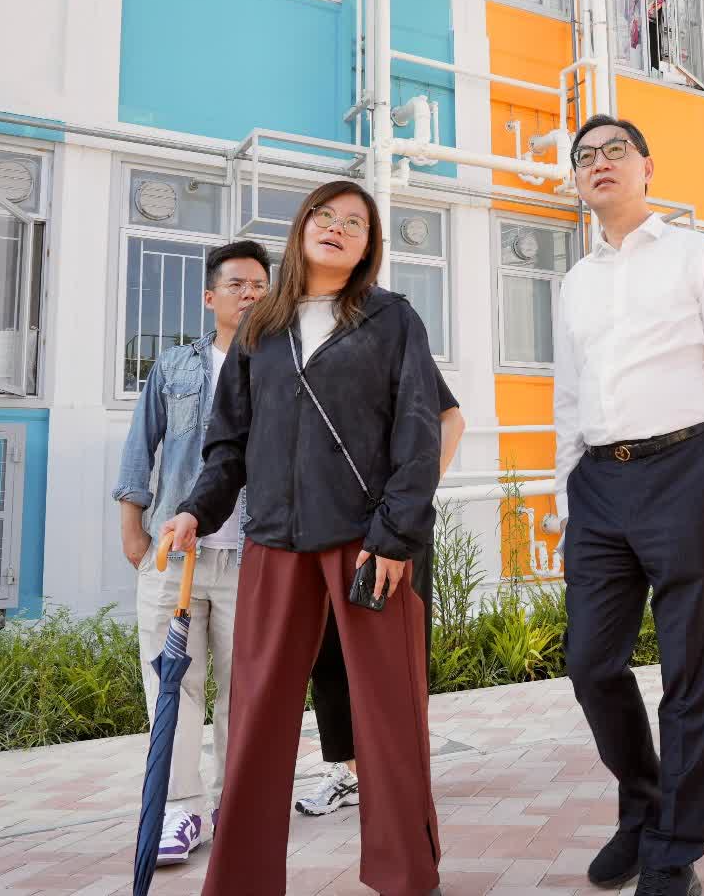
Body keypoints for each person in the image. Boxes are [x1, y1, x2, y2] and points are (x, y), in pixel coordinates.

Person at [164, 179, 444, 896]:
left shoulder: (392, 320)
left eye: (356, 222)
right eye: (326, 214)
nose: (338, 227)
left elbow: (419, 431)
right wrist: (196, 509)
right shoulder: (260, 326)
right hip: (275, 542)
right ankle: (241, 882)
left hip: (368, 545)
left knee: (388, 717)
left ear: (368, 246)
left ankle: (409, 878)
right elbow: (228, 445)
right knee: (257, 716)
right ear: (302, 226)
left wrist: (395, 536)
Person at [552, 115, 704, 896]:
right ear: (577, 179)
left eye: (616, 150)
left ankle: (673, 850)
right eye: (585, 156)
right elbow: (568, 393)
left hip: (685, 469)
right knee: (589, 663)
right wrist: (566, 496)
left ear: (647, 166)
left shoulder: (698, 256)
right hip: (598, 483)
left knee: (690, 672)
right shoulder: (575, 283)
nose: (600, 162)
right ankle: (643, 803)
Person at [112, 240, 271, 865]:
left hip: (251, 559)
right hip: (173, 559)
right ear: (210, 296)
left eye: (260, 285)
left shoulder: (280, 367)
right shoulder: (175, 366)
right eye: (237, 284)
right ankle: (181, 810)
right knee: (171, 689)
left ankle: (240, 805)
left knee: (244, 691)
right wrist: (132, 529)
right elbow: (140, 444)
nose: (250, 294)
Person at [298, 402, 463, 818]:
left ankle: (401, 773)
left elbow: (452, 421)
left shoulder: (400, 359)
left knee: (395, 659)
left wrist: (411, 504)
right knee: (329, 653)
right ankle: (348, 771)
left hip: (392, 530)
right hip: (328, 528)